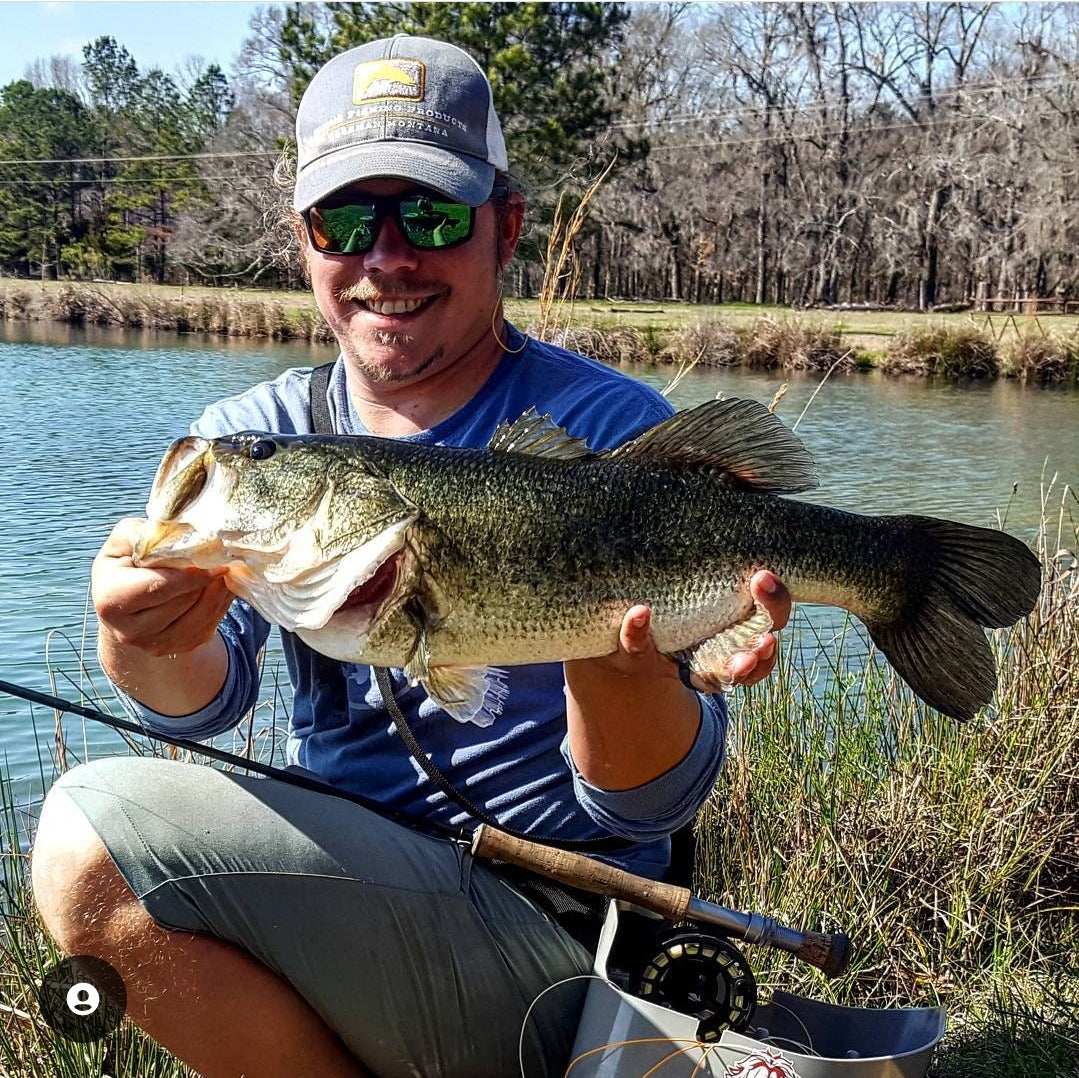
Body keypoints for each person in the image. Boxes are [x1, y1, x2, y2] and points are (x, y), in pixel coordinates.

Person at [30, 34, 790, 1078]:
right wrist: (135, 637)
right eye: (344, 220)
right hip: (358, 904)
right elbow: (196, 704)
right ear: (302, 239)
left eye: (429, 215)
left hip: (570, 938)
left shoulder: (611, 430)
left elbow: (649, 807)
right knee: (92, 859)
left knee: (84, 833)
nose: (385, 257)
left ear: (505, 228)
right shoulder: (260, 432)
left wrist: (611, 671)